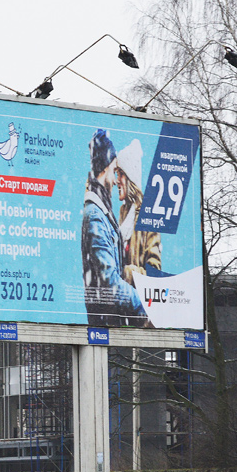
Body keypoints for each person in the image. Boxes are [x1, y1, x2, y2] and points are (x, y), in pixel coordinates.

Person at [81, 129, 150, 327]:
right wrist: (142, 309)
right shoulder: (95, 215)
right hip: (104, 321)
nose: (114, 179)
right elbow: (110, 280)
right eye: (113, 171)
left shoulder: (104, 211)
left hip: (111, 320)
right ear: (105, 169)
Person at [113, 138, 161, 285]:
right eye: (116, 174)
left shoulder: (147, 215)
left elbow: (154, 274)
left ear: (130, 177)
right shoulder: (123, 214)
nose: (116, 181)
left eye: (120, 174)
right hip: (121, 302)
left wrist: (123, 273)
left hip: (140, 305)